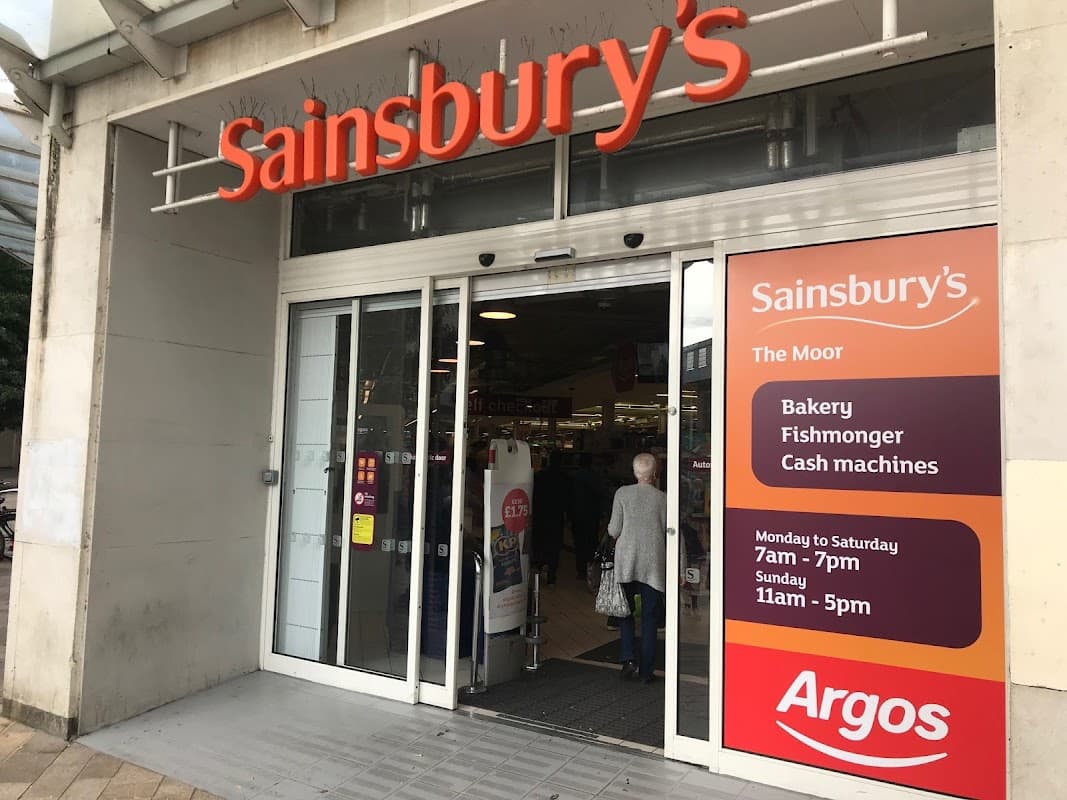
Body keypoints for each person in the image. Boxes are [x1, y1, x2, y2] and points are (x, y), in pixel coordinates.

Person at [607, 452, 667, 684]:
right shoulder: (663, 498)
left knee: (626, 613)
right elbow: (671, 532)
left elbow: (613, 530)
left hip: (626, 562)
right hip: (653, 565)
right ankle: (646, 671)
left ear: (635, 472)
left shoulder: (622, 493)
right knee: (651, 619)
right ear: (654, 473)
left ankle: (628, 659)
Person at [532, 450, 570, 584]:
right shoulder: (565, 478)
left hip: (541, 515)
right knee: (554, 545)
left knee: (541, 541)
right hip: (556, 516)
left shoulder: (540, 476)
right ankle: (551, 574)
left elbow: (534, 496)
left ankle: (540, 565)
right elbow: (568, 499)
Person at [569, 452, 603, 580]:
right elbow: (600, 495)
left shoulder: (574, 477)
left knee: (579, 544)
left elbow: (571, 498)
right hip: (592, 516)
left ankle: (581, 571)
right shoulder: (595, 477)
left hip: (578, 516)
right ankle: (591, 570)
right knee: (591, 543)